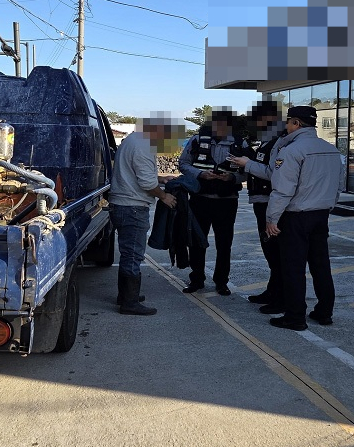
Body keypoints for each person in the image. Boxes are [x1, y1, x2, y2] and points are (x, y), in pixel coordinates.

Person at [264, 105, 345, 330]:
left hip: (296, 217)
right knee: (321, 265)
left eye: (289, 122)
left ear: (297, 123)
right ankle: (324, 312)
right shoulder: (331, 150)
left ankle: (295, 317)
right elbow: (338, 185)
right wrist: (327, 206)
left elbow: (283, 190)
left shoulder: (291, 151)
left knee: (293, 267)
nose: (286, 126)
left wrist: (271, 218)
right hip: (321, 215)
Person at [108, 116, 177, 316]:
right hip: (132, 207)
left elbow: (135, 173)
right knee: (133, 255)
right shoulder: (143, 147)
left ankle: (125, 296)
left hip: (123, 204)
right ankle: (129, 303)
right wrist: (164, 196)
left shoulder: (133, 140)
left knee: (128, 253)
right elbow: (146, 183)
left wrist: (160, 178)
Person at [177, 109, 248, 295]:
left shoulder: (240, 144)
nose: (220, 128)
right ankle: (196, 279)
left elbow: (248, 171)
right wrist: (200, 174)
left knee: (224, 243)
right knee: (196, 241)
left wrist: (232, 178)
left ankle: (222, 281)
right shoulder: (197, 140)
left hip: (227, 201)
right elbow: (183, 164)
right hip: (200, 199)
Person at [231, 100, 285, 313]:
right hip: (261, 201)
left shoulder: (280, 142)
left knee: (276, 252)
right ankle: (273, 291)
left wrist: (248, 164)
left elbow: (273, 174)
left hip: (271, 202)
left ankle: (280, 297)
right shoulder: (267, 141)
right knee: (269, 250)